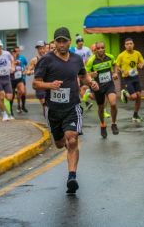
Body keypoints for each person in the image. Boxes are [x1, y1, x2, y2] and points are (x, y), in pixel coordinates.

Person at [33, 27, 99, 194]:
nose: (61, 44)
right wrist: (49, 85)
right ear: (54, 43)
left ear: (69, 41)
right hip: (53, 109)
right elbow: (35, 83)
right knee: (60, 143)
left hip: (72, 106)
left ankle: (72, 176)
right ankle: (64, 145)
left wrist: (90, 82)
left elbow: (83, 75)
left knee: (72, 139)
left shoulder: (76, 59)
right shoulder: (46, 60)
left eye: (64, 41)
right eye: (58, 41)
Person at [86, 42, 119, 138]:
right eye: (98, 48)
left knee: (113, 103)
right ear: (95, 49)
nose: (100, 50)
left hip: (109, 84)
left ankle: (113, 124)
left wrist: (115, 73)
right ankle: (103, 125)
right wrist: (92, 75)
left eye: (102, 48)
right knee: (101, 107)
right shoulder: (91, 61)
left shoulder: (110, 57)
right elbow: (86, 74)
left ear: (105, 48)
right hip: (98, 86)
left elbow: (115, 64)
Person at [116, 38, 144, 122]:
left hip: (136, 77)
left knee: (139, 96)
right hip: (127, 78)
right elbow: (116, 65)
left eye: (131, 43)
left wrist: (141, 65)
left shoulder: (137, 53)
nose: (129, 45)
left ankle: (135, 115)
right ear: (125, 46)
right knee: (133, 97)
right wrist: (122, 71)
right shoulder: (121, 55)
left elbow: (143, 62)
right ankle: (124, 93)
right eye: (127, 44)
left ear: (133, 44)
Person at [28, 40, 47, 115]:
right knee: (45, 104)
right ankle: (47, 118)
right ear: (37, 49)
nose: (41, 50)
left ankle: (49, 119)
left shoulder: (50, 58)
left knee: (49, 105)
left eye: (42, 48)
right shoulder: (34, 60)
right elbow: (28, 70)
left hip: (48, 84)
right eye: (39, 49)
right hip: (39, 85)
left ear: (45, 48)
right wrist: (30, 72)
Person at [11, 46, 28, 114]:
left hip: (21, 78)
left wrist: (25, 71)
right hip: (12, 79)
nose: (17, 52)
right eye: (16, 51)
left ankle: (22, 106)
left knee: (22, 91)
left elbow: (26, 66)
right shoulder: (10, 59)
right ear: (13, 52)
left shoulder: (22, 58)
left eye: (18, 51)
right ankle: (13, 108)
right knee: (12, 95)